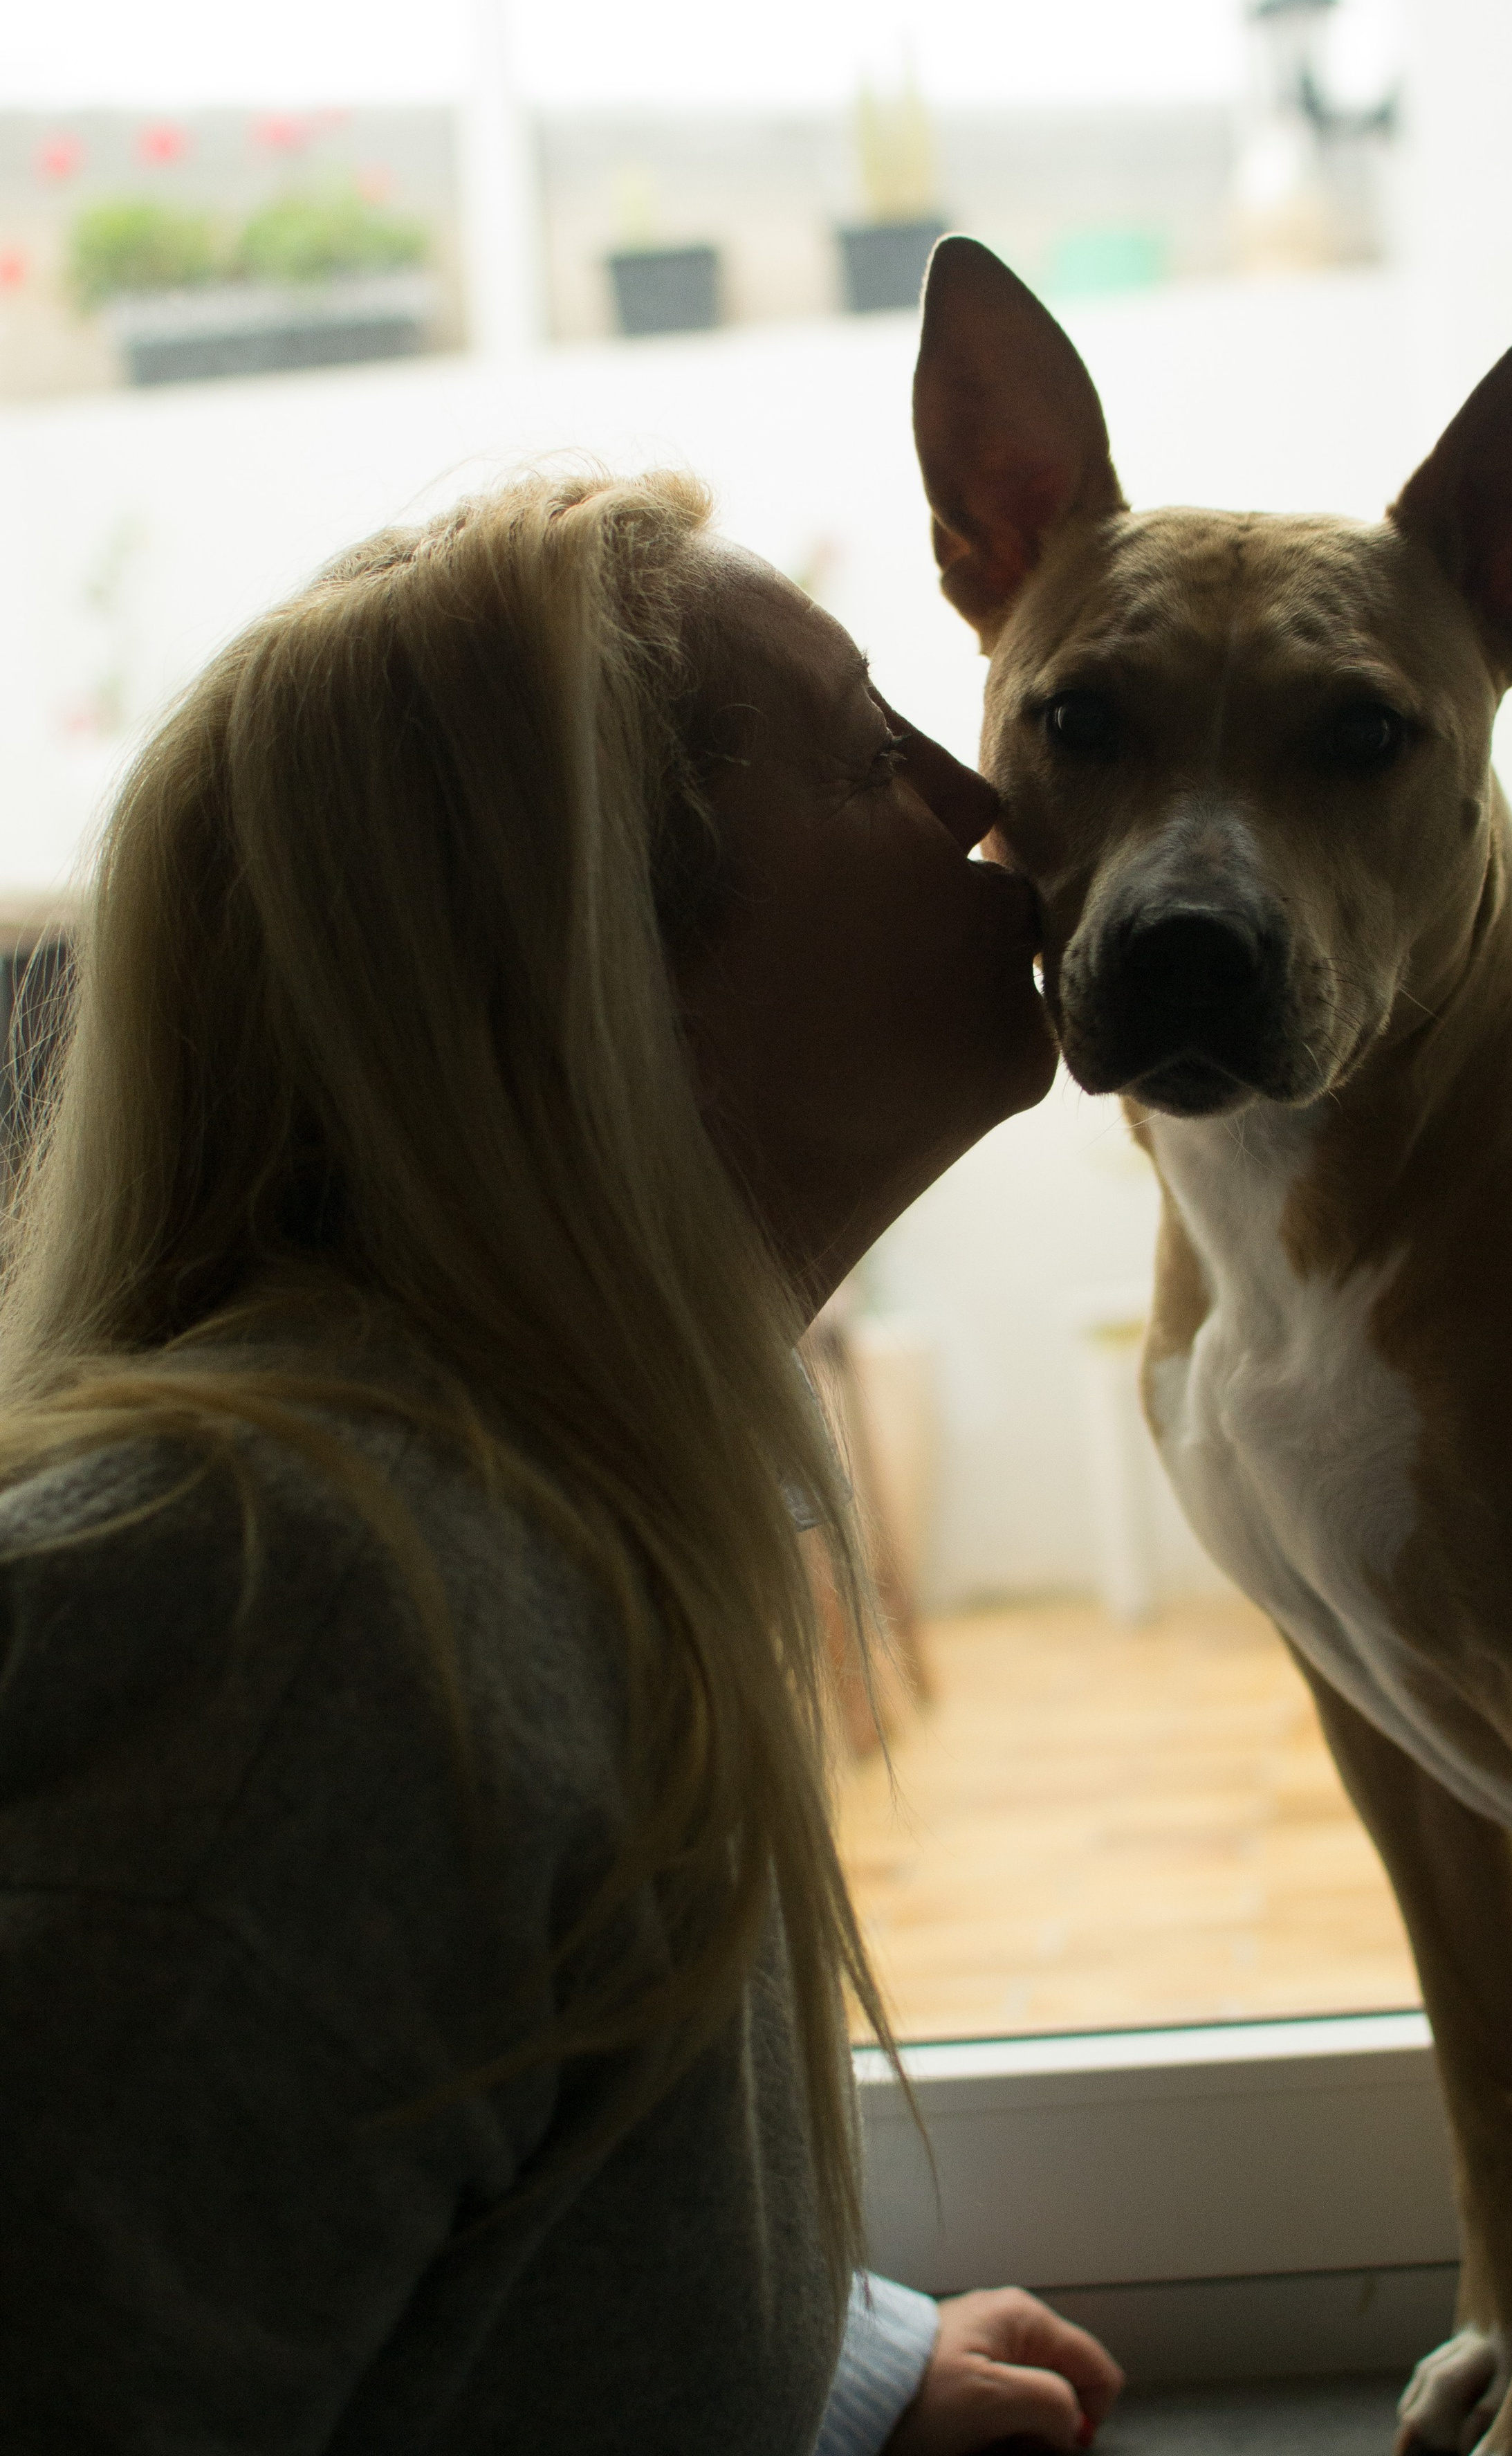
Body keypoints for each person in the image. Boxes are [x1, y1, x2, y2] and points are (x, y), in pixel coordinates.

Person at [0, 472, 1125, 2453]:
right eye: (872, 749)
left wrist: (828, 2372)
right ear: (595, 950)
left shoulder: (521, 1529)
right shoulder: (301, 1621)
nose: (991, 807)